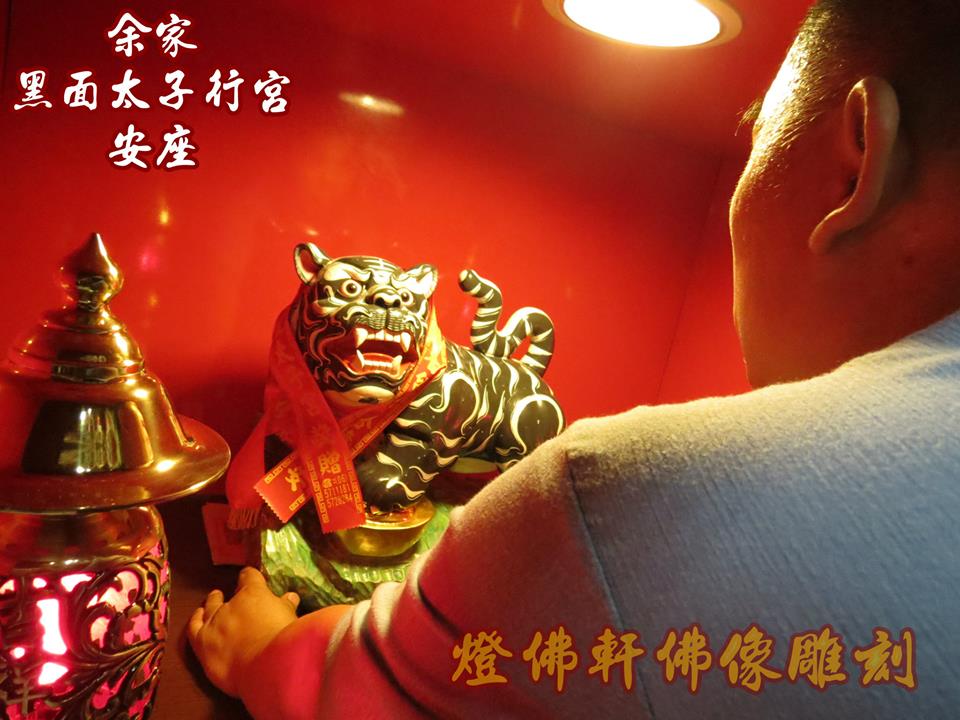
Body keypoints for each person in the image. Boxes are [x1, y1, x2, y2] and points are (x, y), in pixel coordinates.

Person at [188, 0, 960, 716]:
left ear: (856, 163)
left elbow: (353, 692)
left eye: (757, 142)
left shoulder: (627, 495)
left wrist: (259, 652)